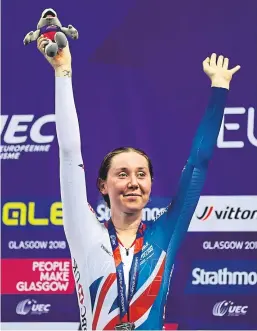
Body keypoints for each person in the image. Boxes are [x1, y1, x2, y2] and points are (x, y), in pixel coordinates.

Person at [37, 36, 240, 330]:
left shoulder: (166, 233)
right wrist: (63, 72)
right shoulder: (83, 230)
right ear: (102, 186)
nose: (133, 182)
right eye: (122, 174)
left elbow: (198, 163)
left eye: (141, 174)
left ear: (151, 184)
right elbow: (69, 153)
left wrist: (220, 89)